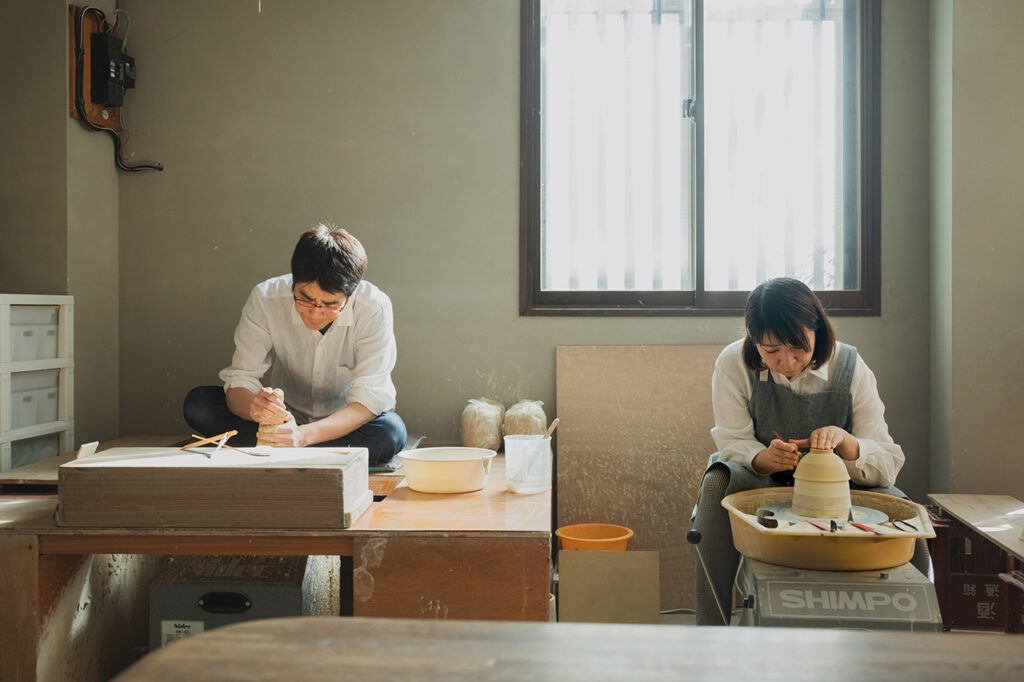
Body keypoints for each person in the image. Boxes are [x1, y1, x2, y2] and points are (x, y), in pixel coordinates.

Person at [690, 277, 927, 625]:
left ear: (818, 329)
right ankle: (712, 628)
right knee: (714, 487)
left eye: (798, 347)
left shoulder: (850, 367)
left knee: (907, 512)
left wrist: (846, 444)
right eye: (771, 351)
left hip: (839, 484)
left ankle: (918, 629)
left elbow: (888, 461)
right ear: (754, 342)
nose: (787, 361)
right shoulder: (733, 363)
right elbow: (732, 441)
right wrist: (761, 458)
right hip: (761, 476)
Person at [183, 224, 407, 465]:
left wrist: (302, 436)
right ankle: (289, 443)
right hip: (280, 419)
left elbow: (369, 398)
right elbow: (241, 379)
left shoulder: (373, 307)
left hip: (342, 424)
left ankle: (285, 446)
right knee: (199, 405)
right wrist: (256, 409)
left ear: (350, 295)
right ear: (293, 281)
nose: (315, 314)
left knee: (390, 433)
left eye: (330, 305)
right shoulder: (265, 298)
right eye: (305, 299)